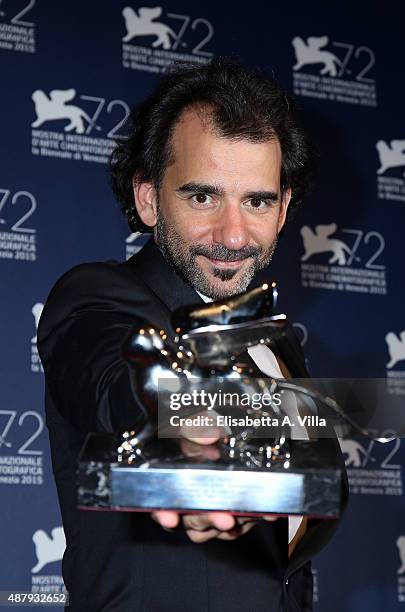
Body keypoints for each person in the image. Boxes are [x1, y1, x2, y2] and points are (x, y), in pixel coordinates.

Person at [38, 57, 348, 611]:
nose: (233, 233)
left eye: (256, 200)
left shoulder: (280, 344)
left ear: (282, 211)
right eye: (203, 196)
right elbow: (117, 384)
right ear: (150, 199)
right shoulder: (97, 296)